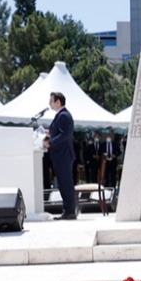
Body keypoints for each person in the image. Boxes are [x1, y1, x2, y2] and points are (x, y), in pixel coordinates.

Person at [44, 92, 77, 220]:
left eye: (51, 101)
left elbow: (65, 135)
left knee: (66, 183)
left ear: (58, 102)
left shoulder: (64, 116)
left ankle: (70, 211)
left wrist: (50, 142)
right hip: (59, 156)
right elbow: (57, 132)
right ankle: (67, 210)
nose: (49, 103)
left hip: (64, 155)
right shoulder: (60, 116)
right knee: (62, 184)